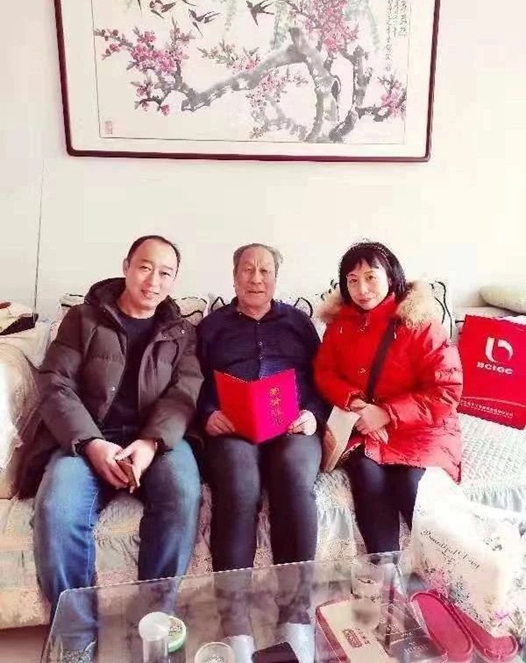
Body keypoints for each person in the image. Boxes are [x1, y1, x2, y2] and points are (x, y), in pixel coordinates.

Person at [16, 235, 203, 662]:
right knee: (58, 507)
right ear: (126, 266)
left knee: (182, 493)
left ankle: (153, 625)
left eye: (166, 273)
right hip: (88, 436)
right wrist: (92, 443)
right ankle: (76, 639)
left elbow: (184, 393)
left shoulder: (182, 332)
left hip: (155, 441)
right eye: (145, 267)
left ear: (174, 280)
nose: (153, 280)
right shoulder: (83, 319)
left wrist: (151, 442)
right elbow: (55, 384)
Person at [196, 243, 329, 661]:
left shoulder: (299, 323)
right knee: (238, 485)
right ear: (234, 275)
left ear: (276, 277)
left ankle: (296, 616)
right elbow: (192, 381)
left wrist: (313, 414)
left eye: (265, 270)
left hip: (292, 426)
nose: (256, 278)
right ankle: (235, 623)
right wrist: (208, 414)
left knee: (294, 477)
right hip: (232, 427)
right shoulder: (212, 327)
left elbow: (324, 378)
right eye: (248, 270)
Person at [314, 241, 462, 554]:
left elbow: (446, 390)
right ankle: (384, 571)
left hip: (421, 428)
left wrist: (387, 414)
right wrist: (357, 405)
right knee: (366, 476)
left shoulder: (419, 322)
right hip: (366, 428)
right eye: (353, 280)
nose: (362, 289)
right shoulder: (339, 324)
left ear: (391, 277)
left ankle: (447, 573)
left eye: (371, 277)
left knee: (411, 487)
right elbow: (325, 373)